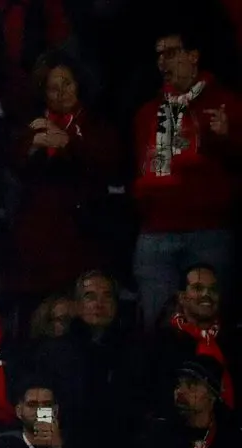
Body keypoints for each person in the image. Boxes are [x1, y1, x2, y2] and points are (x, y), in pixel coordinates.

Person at [129, 30, 237, 326]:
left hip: (208, 232)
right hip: (156, 234)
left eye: (172, 52)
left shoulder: (226, 104)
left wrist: (227, 138)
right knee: (157, 325)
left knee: (211, 323)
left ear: (193, 56)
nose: (163, 61)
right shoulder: (147, 112)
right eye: (159, 55)